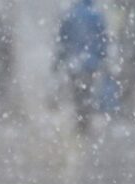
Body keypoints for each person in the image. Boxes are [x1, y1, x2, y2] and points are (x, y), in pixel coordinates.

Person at [55, 0, 108, 134]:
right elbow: (103, 39)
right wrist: (102, 56)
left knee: (76, 92)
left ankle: (80, 120)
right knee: (88, 91)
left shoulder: (70, 14)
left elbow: (63, 38)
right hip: (91, 63)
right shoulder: (96, 15)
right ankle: (85, 120)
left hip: (74, 62)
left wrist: (59, 60)